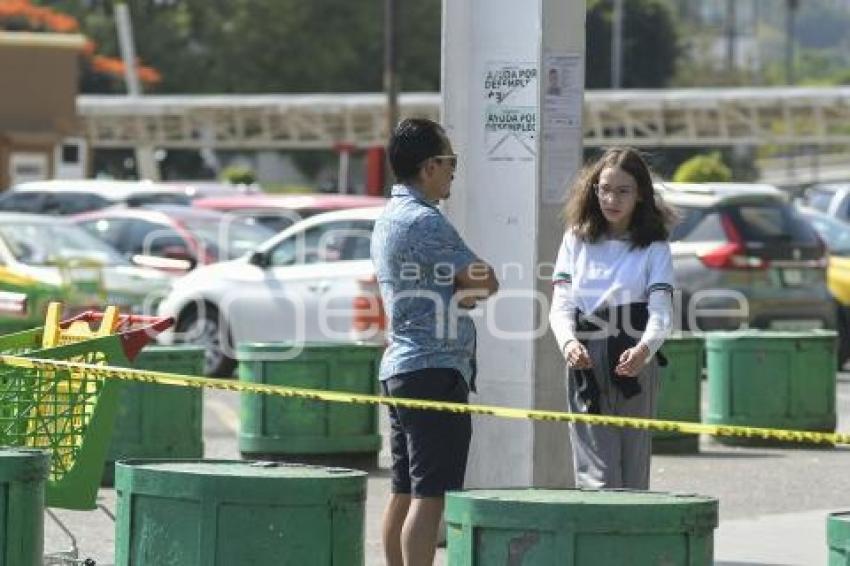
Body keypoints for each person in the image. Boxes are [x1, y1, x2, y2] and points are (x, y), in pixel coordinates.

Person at [372, 118, 499, 566]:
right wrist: (462, 295)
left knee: (402, 491)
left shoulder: (387, 216)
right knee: (431, 498)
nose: (453, 172)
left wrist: (452, 293)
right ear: (428, 167)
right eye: (451, 162)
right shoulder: (426, 221)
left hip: (400, 367)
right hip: (435, 370)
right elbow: (488, 279)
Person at [548, 147, 676, 490]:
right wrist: (569, 343)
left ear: (640, 195)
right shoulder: (575, 238)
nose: (611, 199)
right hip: (586, 360)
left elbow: (661, 312)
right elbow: (560, 304)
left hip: (633, 359)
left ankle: (632, 543)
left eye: (623, 191)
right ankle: (597, 541)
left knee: (633, 473)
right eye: (604, 189)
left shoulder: (655, 247)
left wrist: (644, 350)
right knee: (597, 477)